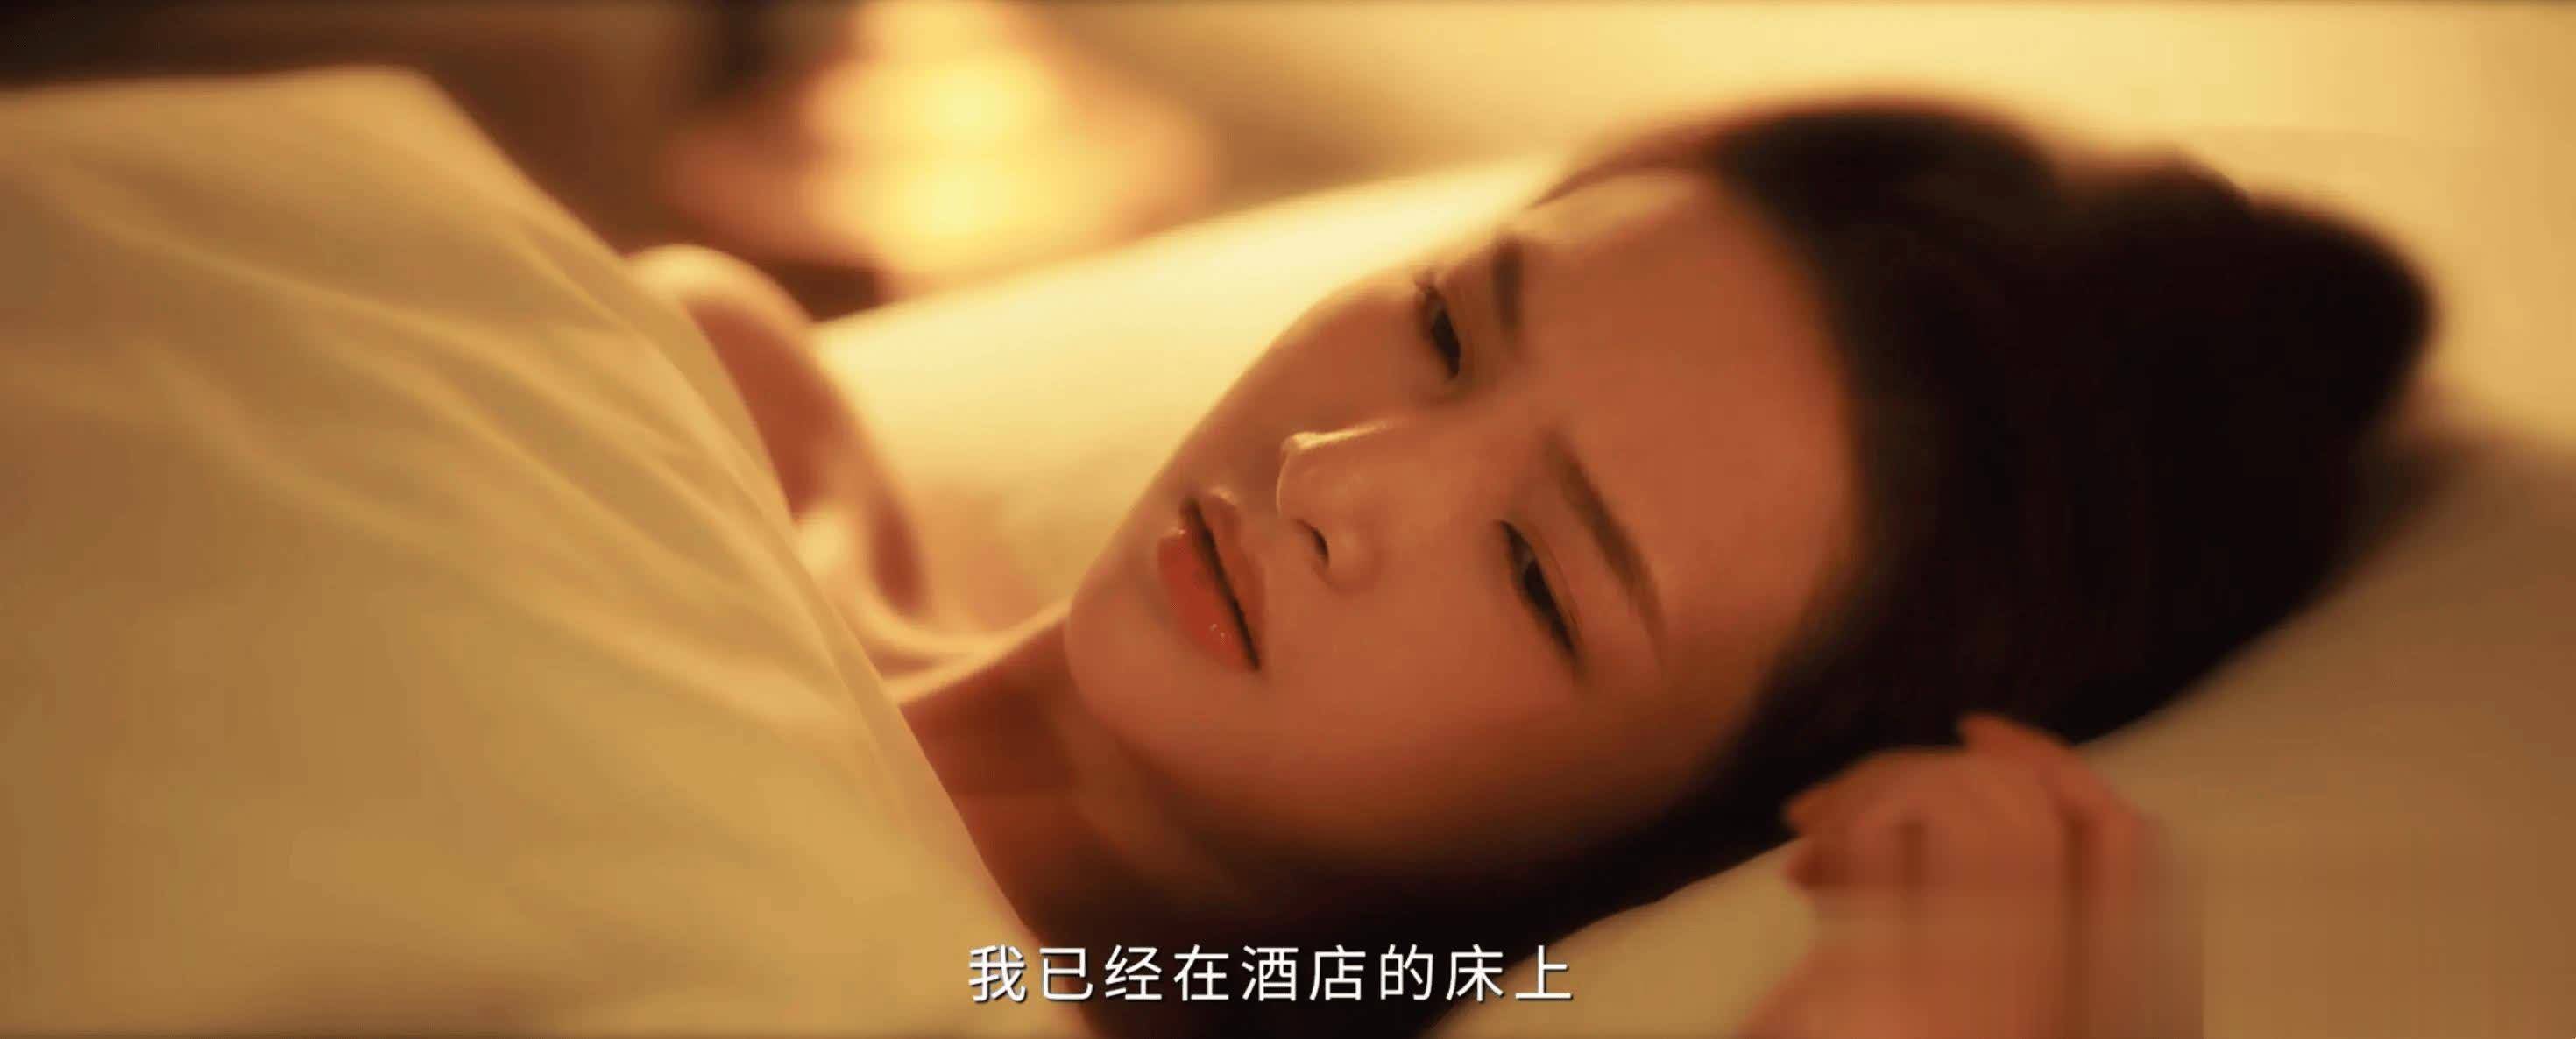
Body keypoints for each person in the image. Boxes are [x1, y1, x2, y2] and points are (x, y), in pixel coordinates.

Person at [636, 95, 2429, 1038]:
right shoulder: (717, 392)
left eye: (1540, 572)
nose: (1338, 473)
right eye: (1445, 326)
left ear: (1665, 830)